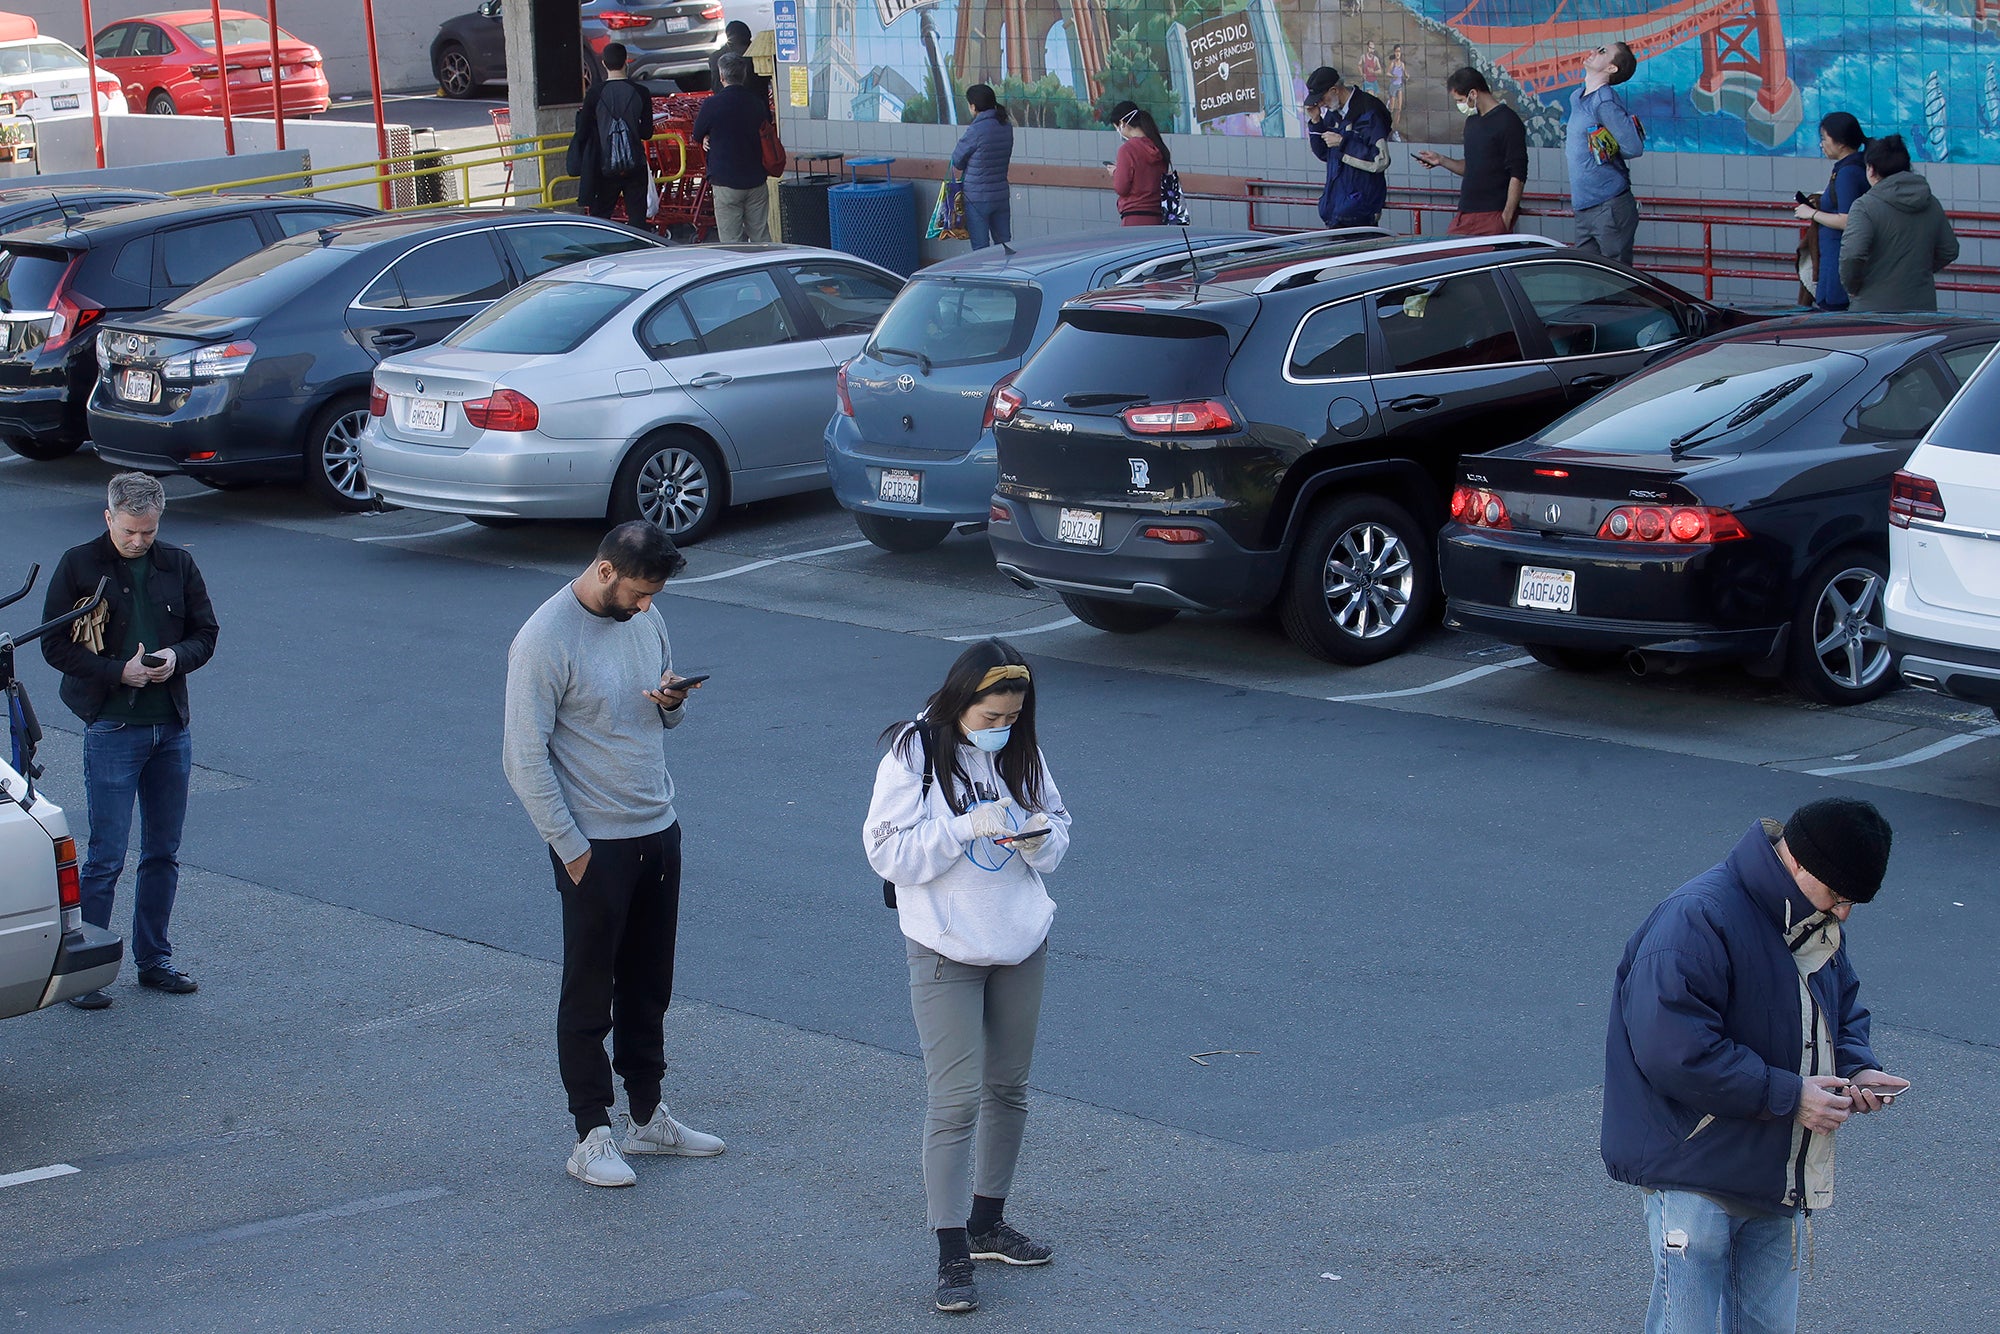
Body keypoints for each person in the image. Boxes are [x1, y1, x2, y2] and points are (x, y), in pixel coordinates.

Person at [1602, 797, 1910, 1334]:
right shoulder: (1697, 918)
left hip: (1773, 1171)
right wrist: (1792, 1096)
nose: (1842, 913)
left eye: (1852, 902)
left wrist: (1856, 1068)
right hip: (1696, 1169)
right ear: (1797, 862)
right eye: (1838, 895)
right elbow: (1675, 1053)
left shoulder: (1811, 919)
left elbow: (1842, 1008)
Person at [502, 522, 726, 1189]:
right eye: (638, 592)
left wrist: (672, 703)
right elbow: (522, 757)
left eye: (654, 595)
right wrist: (570, 850)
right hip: (593, 844)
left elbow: (657, 715)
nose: (647, 606)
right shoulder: (544, 639)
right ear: (605, 572)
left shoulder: (646, 620)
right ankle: (590, 1132)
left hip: (659, 828)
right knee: (590, 988)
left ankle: (648, 1116)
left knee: (650, 982)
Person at [864, 639, 1072, 1315]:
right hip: (943, 949)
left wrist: (1042, 840)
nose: (1001, 727)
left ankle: (988, 1223)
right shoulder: (913, 751)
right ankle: (952, 1253)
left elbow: (1059, 829)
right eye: (990, 717)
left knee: (1008, 1089)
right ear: (960, 703)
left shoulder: (1022, 750)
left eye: (1013, 714)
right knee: (955, 1101)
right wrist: (962, 827)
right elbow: (885, 851)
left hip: (1020, 942)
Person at [40, 472, 220, 1009]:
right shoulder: (78, 564)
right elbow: (54, 644)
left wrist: (174, 659)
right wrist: (122, 672)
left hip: (170, 727)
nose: (139, 541)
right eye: (129, 532)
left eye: (148, 531)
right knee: (106, 856)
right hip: (113, 726)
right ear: (108, 517)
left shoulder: (178, 564)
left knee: (163, 851)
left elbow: (205, 634)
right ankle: (88, 973)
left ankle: (154, 958)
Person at [1838, 133, 1960, 314]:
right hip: (1922, 307)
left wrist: (1853, 287)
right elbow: (1949, 249)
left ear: (1871, 169)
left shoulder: (1864, 206)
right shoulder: (1930, 201)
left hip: (1873, 309)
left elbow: (1852, 255)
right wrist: (1918, 272)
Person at [1415, 67, 1528, 236]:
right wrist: (1441, 160)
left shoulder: (1508, 121)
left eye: (1460, 100)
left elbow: (1518, 173)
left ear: (1473, 94)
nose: (1460, 105)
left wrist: (1506, 217)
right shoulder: (1472, 122)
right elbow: (1472, 167)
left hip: (1493, 214)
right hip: (1465, 213)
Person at [1565, 42, 1643, 265]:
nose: (1593, 53)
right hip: (1584, 206)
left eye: (1602, 52)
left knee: (1616, 278)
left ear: (1612, 69)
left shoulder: (1604, 100)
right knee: (1589, 279)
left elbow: (1633, 147)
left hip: (1608, 206)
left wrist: (1606, 149)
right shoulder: (1577, 96)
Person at [568, 42, 655, 225]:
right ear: (626, 62)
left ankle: (605, 249)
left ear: (604, 64)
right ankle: (637, 249)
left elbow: (583, 131)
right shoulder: (641, 92)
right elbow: (647, 133)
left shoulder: (594, 94)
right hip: (635, 163)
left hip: (603, 164)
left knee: (601, 214)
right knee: (637, 217)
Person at [693, 53, 773, 244]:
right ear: (744, 75)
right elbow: (766, 126)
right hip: (755, 179)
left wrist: (706, 137)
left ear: (721, 77)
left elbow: (697, 134)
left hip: (725, 181)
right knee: (761, 237)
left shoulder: (712, 105)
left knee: (731, 242)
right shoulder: (756, 102)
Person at [1794, 112, 1870, 310]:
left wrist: (1811, 214)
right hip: (1838, 258)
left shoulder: (1848, 173)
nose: (1821, 144)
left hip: (1839, 260)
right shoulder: (1855, 166)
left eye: (1824, 139)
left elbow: (1847, 220)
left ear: (1841, 143)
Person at [1303, 65, 1392, 229]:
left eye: (1322, 98)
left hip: (1361, 212)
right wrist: (1316, 122)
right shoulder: (1333, 112)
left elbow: (1380, 159)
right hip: (1335, 209)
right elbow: (1325, 154)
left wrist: (1343, 143)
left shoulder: (1369, 109)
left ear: (1334, 90)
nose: (1321, 104)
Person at [951, 83, 1013, 249]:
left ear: (973, 106)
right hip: (1000, 195)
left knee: (981, 249)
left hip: (977, 197)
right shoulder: (1006, 126)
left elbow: (957, 160)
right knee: (1005, 245)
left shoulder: (976, 130)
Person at [1106, 100, 1169, 226]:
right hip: (1158, 217)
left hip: (1134, 218)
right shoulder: (1158, 147)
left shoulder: (1127, 150)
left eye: (1117, 127)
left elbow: (1121, 188)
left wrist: (1116, 172)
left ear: (1122, 123)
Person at [706, 20, 768, 102]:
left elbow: (715, 87)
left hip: (724, 107)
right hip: (756, 109)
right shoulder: (756, 57)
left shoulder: (714, 58)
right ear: (747, 35)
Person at [1387, 45, 1408, 130]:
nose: (1398, 53)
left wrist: (1407, 76)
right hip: (1393, 86)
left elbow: (1405, 73)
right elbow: (1387, 73)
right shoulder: (1393, 63)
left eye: (1399, 51)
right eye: (1396, 51)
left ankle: (1395, 127)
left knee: (1399, 108)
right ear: (1394, 53)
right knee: (1392, 107)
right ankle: (1388, 122)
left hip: (1399, 86)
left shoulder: (1402, 64)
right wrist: (1392, 75)